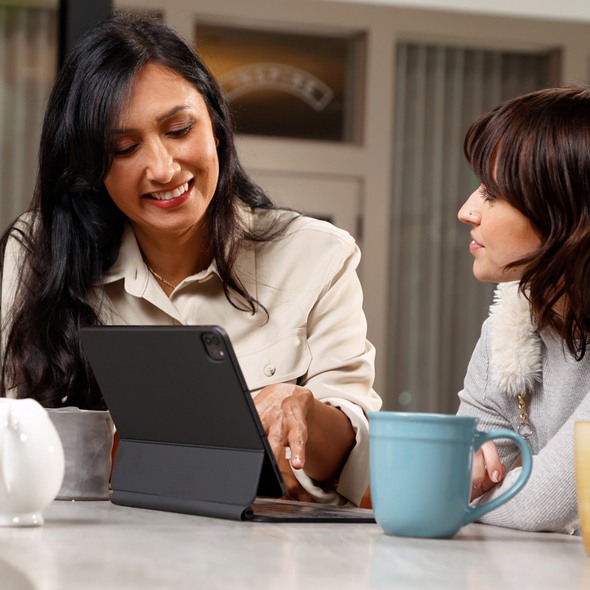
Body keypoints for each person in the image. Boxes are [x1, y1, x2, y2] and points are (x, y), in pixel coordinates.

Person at [0, 14, 381, 506]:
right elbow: (15, 434)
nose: (162, 168)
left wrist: (303, 412)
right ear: (91, 168)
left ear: (216, 127)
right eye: (124, 148)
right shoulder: (40, 253)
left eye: (179, 129)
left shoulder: (317, 254)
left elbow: (355, 457)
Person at [456, 86, 590, 534]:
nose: (467, 211)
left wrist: (465, 492)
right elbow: (457, 468)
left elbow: (542, 506)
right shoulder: (512, 319)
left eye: (492, 194)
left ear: (565, 213)